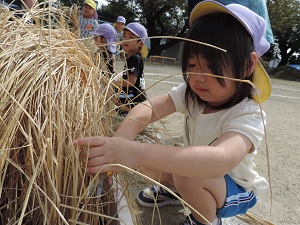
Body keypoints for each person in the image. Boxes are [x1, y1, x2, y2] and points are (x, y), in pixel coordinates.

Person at [74, 1, 272, 224]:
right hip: (196, 174)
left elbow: (218, 160)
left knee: (185, 174)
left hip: (235, 188)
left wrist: (134, 151)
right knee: (151, 163)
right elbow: (147, 109)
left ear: (247, 65)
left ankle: (203, 218)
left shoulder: (248, 113)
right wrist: (122, 141)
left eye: (213, 67)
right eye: (192, 65)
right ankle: (180, 192)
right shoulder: (193, 93)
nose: (198, 77)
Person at [115, 22, 148, 116]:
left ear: (140, 43)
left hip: (134, 98)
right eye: (124, 36)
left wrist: (115, 83)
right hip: (133, 97)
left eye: (131, 37)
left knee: (109, 92)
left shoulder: (134, 59)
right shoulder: (132, 58)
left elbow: (131, 81)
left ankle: (129, 111)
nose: (126, 40)